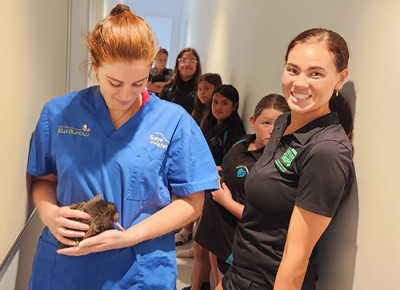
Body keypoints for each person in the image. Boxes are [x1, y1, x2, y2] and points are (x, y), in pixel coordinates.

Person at [26, 4, 219, 290]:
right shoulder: (59, 113)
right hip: (67, 267)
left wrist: (130, 237)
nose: (126, 95)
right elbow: (44, 178)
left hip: (139, 266)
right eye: (114, 83)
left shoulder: (173, 121)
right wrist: (49, 213)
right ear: (94, 65)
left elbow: (193, 202)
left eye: (138, 83)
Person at [218, 28, 355, 290]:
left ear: (340, 78)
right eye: (293, 70)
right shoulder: (283, 122)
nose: (300, 83)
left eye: (316, 73)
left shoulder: (327, 150)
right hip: (239, 270)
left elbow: (296, 259)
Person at [195, 94, 290, 281]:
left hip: (236, 240)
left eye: (280, 125)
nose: (273, 131)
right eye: (266, 123)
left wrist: (227, 202)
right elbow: (229, 167)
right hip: (216, 229)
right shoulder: (243, 142)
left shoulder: (275, 164)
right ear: (253, 122)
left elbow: (263, 216)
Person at [184, 85, 246, 290]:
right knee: (200, 245)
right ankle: (198, 286)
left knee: (206, 246)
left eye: (224, 103)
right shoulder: (210, 124)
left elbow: (229, 164)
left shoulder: (235, 132)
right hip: (204, 185)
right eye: (215, 102)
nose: (218, 107)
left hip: (216, 190)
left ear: (234, 105)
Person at [175, 73, 223, 249]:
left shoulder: (214, 117)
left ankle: (190, 234)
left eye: (207, 89)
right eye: (200, 89)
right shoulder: (197, 112)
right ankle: (186, 229)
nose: (202, 93)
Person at [159, 48, 202, 114]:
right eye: (183, 60)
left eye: (191, 60)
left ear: (197, 65)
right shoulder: (167, 88)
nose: (187, 64)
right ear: (177, 64)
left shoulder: (202, 89)